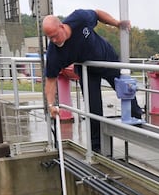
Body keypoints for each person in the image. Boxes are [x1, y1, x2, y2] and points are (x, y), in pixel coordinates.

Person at [43, 9, 143, 152]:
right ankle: (97, 150)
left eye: (55, 35)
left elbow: (97, 14)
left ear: (62, 26)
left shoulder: (79, 18)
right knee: (93, 110)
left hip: (107, 59)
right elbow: (50, 80)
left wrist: (117, 23)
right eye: (49, 37)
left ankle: (138, 121)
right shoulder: (54, 52)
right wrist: (51, 105)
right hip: (87, 70)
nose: (53, 40)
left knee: (126, 91)